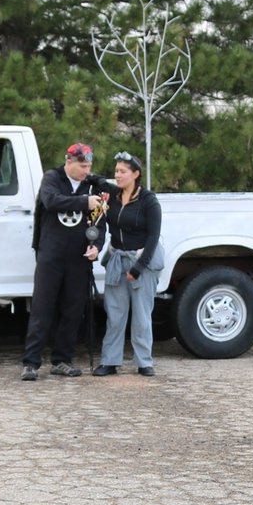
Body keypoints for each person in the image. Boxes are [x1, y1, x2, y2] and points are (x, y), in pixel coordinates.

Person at [21, 143, 107, 381]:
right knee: (42, 307)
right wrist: (83, 202)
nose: (85, 171)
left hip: (78, 256)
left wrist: (96, 246)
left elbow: (99, 220)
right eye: (82, 166)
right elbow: (51, 201)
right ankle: (31, 362)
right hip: (51, 253)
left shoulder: (92, 185)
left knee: (73, 309)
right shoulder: (52, 178)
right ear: (68, 161)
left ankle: (62, 360)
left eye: (89, 166)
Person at [92, 151, 163, 378]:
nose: (118, 175)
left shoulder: (148, 201)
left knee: (142, 315)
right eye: (116, 171)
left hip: (141, 260)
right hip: (116, 259)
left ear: (135, 174)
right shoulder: (111, 196)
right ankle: (110, 361)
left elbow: (153, 237)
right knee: (114, 312)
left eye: (122, 171)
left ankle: (144, 362)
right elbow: (96, 181)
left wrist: (138, 268)